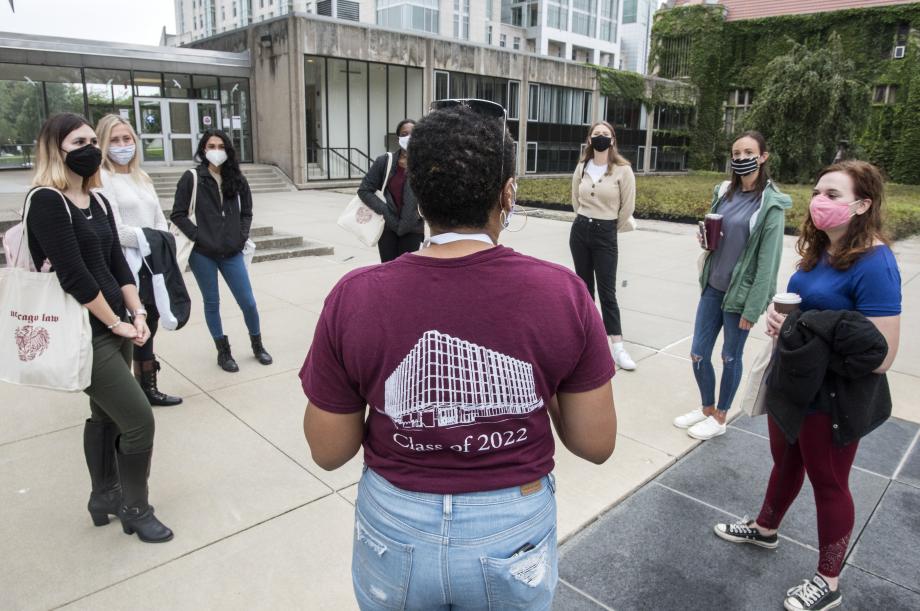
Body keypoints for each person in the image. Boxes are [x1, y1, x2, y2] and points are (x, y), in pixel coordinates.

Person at [300, 101, 617, 610]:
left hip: (395, 523)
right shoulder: (562, 293)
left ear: (418, 198)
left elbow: (329, 450)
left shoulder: (355, 295)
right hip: (513, 526)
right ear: (507, 193)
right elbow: (596, 443)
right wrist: (544, 383)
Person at [714, 161, 901, 611]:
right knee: (785, 464)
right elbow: (807, 314)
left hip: (833, 397)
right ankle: (765, 529)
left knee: (828, 482)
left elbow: (883, 355)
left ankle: (829, 580)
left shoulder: (876, 263)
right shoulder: (818, 252)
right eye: (818, 191)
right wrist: (782, 322)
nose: (821, 202)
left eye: (834, 195)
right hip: (794, 385)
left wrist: (809, 331)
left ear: (863, 204)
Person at [26, 113, 172, 542]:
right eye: (78, 142)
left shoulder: (101, 201)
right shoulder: (47, 201)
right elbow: (73, 275)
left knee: (106, 415)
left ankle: (103, 495)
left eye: (94, 139)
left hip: (117, 323)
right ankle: (135, 507)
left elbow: (115, 265)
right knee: (140, 420)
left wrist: (138, 313)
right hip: (85, 331)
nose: (91, 147)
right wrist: (115, 323)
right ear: (57, 150)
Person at [673, 131, 791, 440]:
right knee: (698, 352)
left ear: (763, 156)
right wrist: (706, 241)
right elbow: (717, 234)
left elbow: (769, 261)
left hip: (741, 294)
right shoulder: (724, 191)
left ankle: (722, 416)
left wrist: (754, 307)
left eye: (748, 152)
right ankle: (707, 408)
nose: (740, 158)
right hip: (713, 285)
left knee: (730, 357)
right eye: (736, 153)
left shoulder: (770, 203)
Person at [96, 114, 181, 407]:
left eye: (127, 139)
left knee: (150, 324)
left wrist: (156, 240)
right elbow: (115, 230)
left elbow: (160, 220)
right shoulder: (102, 178)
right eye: (115, 140)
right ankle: (125, 394)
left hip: (151, 265)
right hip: (123, 266)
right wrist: (152, 239)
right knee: (128, 329)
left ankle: (148, 388)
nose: (122, 145)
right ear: (103, 144)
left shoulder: (141, 176)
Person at [170, 130, 272, 372]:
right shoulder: (192, 178)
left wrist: (241, 235)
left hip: (232, 252)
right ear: (203, 150)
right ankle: (222, 351)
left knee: (248, 302)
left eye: (221, 146)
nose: (216, 150)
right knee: (212, 302)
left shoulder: (237, 179)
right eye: (211, 145)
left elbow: (246, 212)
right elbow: (178, 214)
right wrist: (199, 237)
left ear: (228, 150)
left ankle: (257, 345)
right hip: (202, 254)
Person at [570, 121, 637, 370]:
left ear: (613, 140)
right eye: (596, 134)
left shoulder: (623, 170)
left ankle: (618, 347)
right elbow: (575, 199)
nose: (600, 137)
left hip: (606, 232)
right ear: (589, 140)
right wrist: (586, 219)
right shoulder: (582, 166)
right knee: (585, 290)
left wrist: (607, 227)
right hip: (580, 230)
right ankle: (587, 342)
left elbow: (627, 207)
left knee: (608, 291)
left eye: (605, 134)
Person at [357, 119, 425, 262]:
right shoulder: (384, 161)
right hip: (387, 228)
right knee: (388, 271)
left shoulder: (424, 164)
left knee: (408, 273)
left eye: (413, 134)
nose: (409, 138)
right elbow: (364, 190)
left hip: (412, 229)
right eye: (404, 134)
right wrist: (385, 212)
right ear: (399, 137)